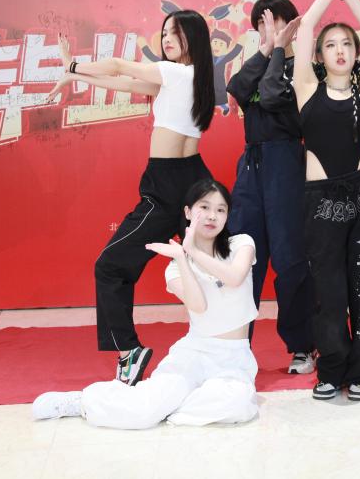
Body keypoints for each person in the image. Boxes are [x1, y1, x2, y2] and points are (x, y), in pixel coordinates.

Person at [45, 10, 215, 386]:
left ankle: (129, 351)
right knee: (211, 270)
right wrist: (74, 76)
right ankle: (223, 348)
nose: (166, 39)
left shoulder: (173, 73)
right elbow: (124, 83)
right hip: (196, 181)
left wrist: (73, 64)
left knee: (109, 267)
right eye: (164, 33)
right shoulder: (188, 78)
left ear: (194, 38)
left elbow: (120, 65)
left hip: (167, 187)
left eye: (176, 33)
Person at [32, 180, 260, 429]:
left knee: (236, 405)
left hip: (233, 358)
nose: (212, 216)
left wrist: (192, 250)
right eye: (204, 207)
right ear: (187, 212)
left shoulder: (241, 244)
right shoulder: (175, 268)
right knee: (145, 411)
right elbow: (199, 306)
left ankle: (164, 405)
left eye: (220, 209)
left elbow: (234, 278)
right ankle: (84, 402)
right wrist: (182, 258)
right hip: (194, 352)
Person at [293, 0, 360, 402]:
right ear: (319, 56)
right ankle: (331, 369)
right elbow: (305, 26)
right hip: (321, 202)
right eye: (330, 45)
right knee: (328, 292)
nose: (339, 50)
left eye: (346, 44)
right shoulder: (306, 88)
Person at [225, 0, 317, 374]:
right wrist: (266, 50)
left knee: (290, 258)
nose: (270, 29)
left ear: (293, 25)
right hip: (251, 166)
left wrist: (278, 50)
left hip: (286, 164)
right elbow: (236, 89)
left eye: (276, 22)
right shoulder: (259, 61)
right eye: (262, 23)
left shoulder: (306, 68)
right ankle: (235, 348)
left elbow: (275, 95)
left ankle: (303, 346)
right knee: (242, 256)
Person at [210, 29, 242, 116]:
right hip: (208, 82)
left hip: (219, 83)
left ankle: (225, 108)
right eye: (215, 42)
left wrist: (240, 45)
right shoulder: (208, 56)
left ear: (226, 48)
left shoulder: (223, 58)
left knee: (221, 100)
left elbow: (233, 54)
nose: (217, 46)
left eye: (221, 44)